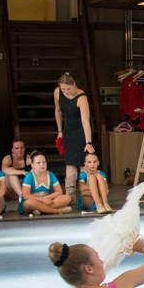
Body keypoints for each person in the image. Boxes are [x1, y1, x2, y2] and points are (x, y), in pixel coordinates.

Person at [54, 73, 94, 204]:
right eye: (63, 89)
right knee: (70, 161)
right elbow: (58, 111)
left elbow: (85, 122)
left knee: (83, 161)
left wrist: (88, 142)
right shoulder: (57, 92)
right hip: (68, 128)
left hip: (81, 129)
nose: (66, 92)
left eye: (68, 89)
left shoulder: (81, 98)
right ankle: (70, 195)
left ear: (74, 85)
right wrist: (60, 131)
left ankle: (87, 193)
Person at [21, 151, 72, 215]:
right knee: (28, 203)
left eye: (44, 162)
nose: (42, 164)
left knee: (67, 198)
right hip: (35, 201)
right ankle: (56, 211)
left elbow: (59, 192)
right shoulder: (29, 176)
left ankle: (40, 210)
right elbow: (26, 195)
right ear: (33, 165)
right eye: (38, 163)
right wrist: (42, 200)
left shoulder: (51, 174)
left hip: (47, 200)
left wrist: (47, 198)